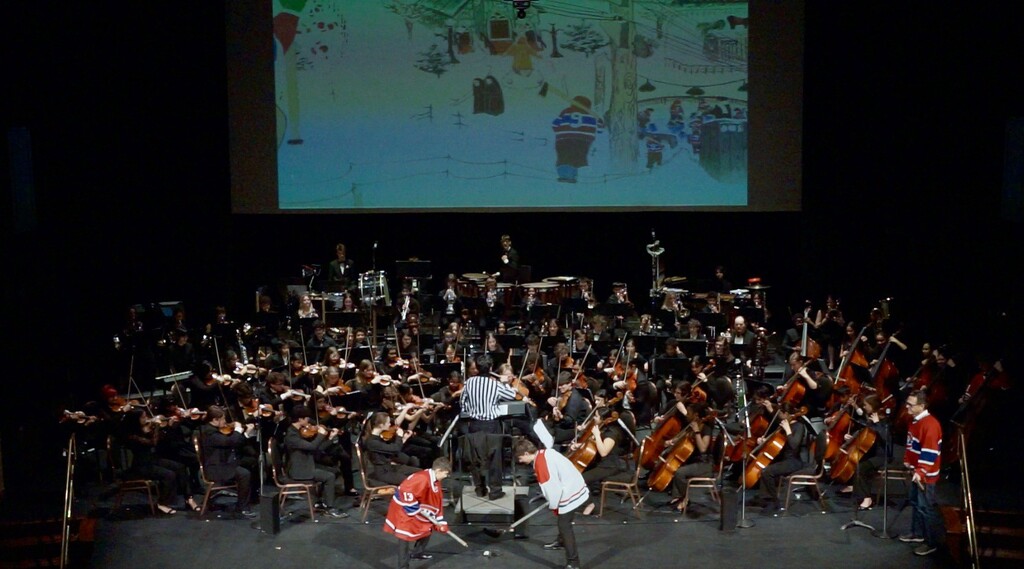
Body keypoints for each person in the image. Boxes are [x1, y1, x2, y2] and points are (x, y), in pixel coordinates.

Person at [514, 439, 588, 569]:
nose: (520, 461)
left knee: (564, 525)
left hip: (570, 491)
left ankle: (573, 563)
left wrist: (554, 506)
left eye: (520, 458)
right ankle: (561, 541)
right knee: (563, 520)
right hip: (574, 483)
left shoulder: (540, 465)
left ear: (526, 453)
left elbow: (553, 490)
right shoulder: (544, 452)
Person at [460, 354, 519, 499]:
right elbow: (511, 395)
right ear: (491, 368)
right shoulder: (495, 384)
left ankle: (480, 489)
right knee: (495, 459)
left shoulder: (469, 383)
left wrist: (472, 408)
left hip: (474, 424)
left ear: (477, 368)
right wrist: (504, 382)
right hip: (492, 425)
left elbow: (462, 403)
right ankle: (495, 491)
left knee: (476, 458)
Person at [383, 457, 452, 569]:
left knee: (428, 526)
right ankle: (403, 566)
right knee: (404, 536)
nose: (446, 476)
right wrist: (414, 509)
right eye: (446, 474)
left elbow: (436, 500)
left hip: (417, 507)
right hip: (403, 508)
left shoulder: (435, 480)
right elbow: (405, 491)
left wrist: (439, 520)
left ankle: (417, 553)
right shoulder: (421, 478)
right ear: (438, 470)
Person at [899, 390, 945, 556]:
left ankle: (931, 542)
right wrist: (907, 459)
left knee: (926, 507)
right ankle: (917, 534)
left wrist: (921, 471)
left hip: (926, 476)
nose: (907, 407)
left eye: (911, 404)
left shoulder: (930, 425)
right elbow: (911, 443)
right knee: (916, 503)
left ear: (922, 406)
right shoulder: (915, 421)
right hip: (916, 471)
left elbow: (930, 452)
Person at [283, 407, 348, 518]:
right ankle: (329, 508)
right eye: (307, 418)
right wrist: (321, 435)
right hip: (300, 470)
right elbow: (312, 446)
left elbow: (317, 449)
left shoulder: (300, 431)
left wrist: (330, 438)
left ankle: (319, 501)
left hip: (307, 464)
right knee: (329, 476)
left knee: (335, 471)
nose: (309, 422)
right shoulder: (291, 436)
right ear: (300, 419)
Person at [198, 406, 258, 518]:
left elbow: (233, 442)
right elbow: (229, 442)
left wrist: (244, 434)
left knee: (251, 462)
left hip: (225, 462)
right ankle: (242, 508)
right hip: (216, 468)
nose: (225, 422)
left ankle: (252, 496)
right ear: (215, 420)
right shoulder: (209, 432)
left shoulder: (213, 429)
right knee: (244, 474)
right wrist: (239, 431)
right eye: (223, 419)